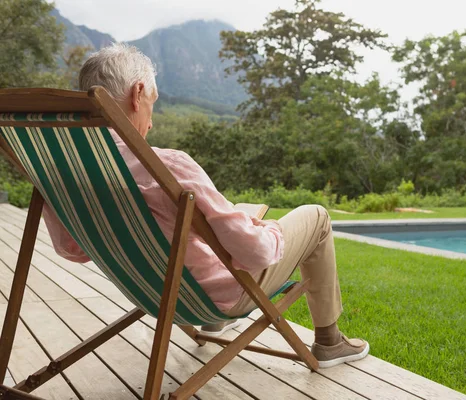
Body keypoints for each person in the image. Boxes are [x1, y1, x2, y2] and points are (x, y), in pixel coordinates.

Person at [42, 43, 368, 368]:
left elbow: (72, 250)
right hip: (216, 297)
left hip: (148, 294)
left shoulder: (61, 170)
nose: (151, 124)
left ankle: (219, 323)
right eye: (152, 106)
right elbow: (256, 253)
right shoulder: (167, 165)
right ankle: (329, 341)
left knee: (223, 227)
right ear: (137, 93)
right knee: (317, 217)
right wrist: (268, 229)